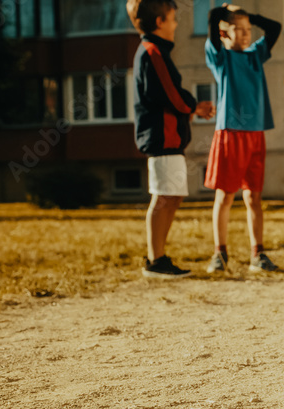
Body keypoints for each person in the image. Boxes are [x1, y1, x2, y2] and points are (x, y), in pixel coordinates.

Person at [128, 0, 214, 278]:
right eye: (173, 18)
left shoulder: (157, 51)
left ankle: (160, 256)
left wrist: (189, 109)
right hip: (161, 138)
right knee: (163, 197)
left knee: (173, 196)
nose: (177, 23)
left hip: (171, 140)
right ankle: (155, 260)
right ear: (159, 22)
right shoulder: (152, 52)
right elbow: (170, 93)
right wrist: (195, 106)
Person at [203, 4, 281, 274]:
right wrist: (224, 9)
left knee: (253, 198)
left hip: (256, 133)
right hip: (230, 134)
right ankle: (219, 254)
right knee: (225, 197)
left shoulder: (256, 55)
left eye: (249, 29)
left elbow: (275, 28)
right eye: (239, 29)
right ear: (225, 33)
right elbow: (213, 24)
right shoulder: (220, 57)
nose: (246, 34)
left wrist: (249, 16)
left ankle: (258, 254)